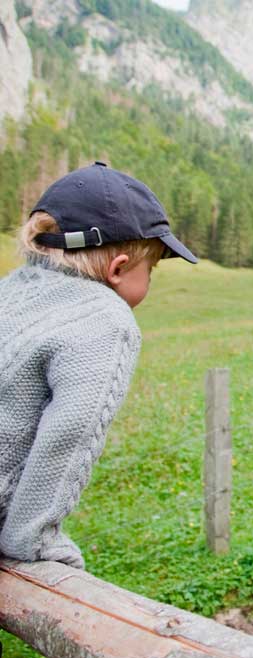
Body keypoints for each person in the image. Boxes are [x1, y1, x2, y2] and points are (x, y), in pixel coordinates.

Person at [0, 162, 197, 569]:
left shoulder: (10, 289)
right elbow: (69, 431)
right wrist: (32, 537)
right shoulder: (105, 319)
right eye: (152, 268)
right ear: (119, 268)